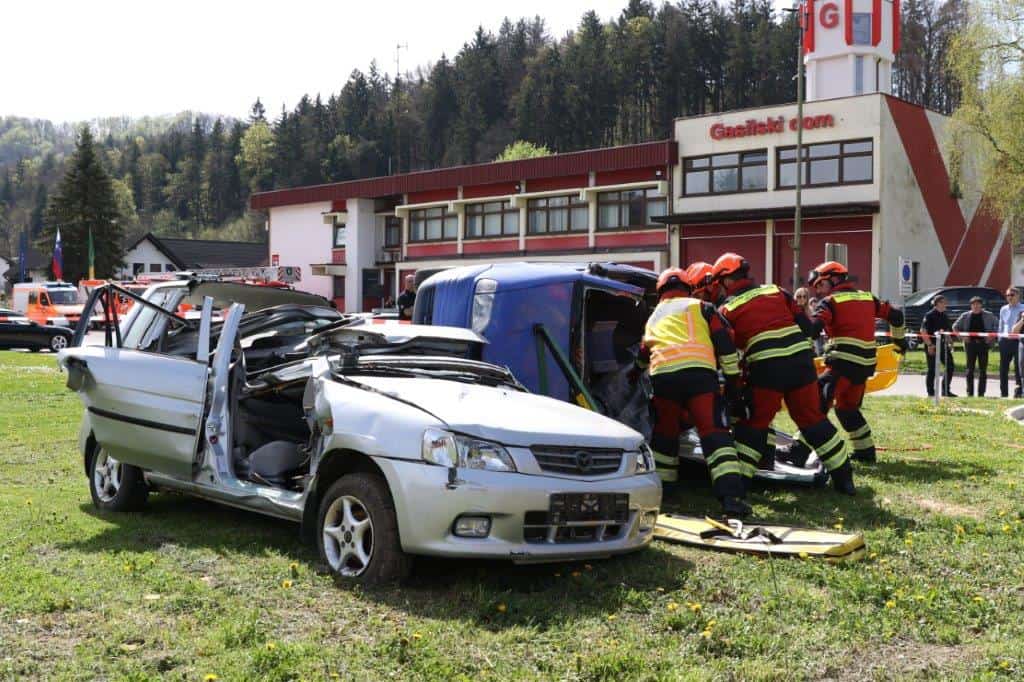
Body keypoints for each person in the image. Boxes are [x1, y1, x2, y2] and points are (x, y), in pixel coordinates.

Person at [711, 253, 856, 495]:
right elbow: (808, 328)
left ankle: (740, 486)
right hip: (802, 363)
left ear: (725, 281)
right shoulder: (777, 291)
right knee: (813, 420)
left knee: (755, 424)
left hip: (767, 369)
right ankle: (845, 478)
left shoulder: (727, 308)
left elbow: (726, 348)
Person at [638, 267, 750, 517]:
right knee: (715, 435)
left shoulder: (653, 316)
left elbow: (643, 354)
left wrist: (635, 372)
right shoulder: (700, 306)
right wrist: (733, 382)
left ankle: (664, 492)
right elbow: (725, 343)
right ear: (688, 287)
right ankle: (731, 498)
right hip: (700, 377)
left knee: (665, 434)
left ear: (660, 292)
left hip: (663, 378)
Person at [800, 261, 906, 464]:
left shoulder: (830, 303)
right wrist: (900, 343)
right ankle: (865, 452)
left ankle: (799, 449)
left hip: (842, 364)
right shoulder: (868, 298)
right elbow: (897, 316)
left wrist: (797, 316)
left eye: (820, 285)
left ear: (833, 279)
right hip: (864, 367)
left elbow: (813, 330)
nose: (819, 291)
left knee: (815, 403)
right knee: (847, 409)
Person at [953, 296, 998, 397]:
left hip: (983, 345)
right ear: (971, 306)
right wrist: (963, 337)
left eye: (978, 304)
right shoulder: (965, 316)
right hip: (970, 345)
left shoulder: (989, 315)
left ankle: (981, 393)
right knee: (970, 369)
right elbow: (955, 327)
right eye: (974, 304)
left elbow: (997, 326)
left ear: (981, 305)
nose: (976, 306)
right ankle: (970, 393)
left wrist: (990, 336)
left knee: (983, 370)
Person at [921, 294, 955, 397]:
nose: (946, 305)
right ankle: (931, 392)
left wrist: (950, 342)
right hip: (932, 345)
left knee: (950, 366)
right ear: (938, 303)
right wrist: (929, 345)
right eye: (944, 302)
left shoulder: (944, 315)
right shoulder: (929, 315)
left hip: (943, 345)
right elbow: (923, 331)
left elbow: (946, 330)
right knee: (932, 369)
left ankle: (945, 390)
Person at [998, 287, 1024, 398]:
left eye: (1012, 295)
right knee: (1003, 368)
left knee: (1019, 368)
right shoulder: (1003, 309)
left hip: (1018, 341)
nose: (1009, 297)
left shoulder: (1023, 308)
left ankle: (1018, 392)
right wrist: (999, 339)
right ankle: (1004, 393)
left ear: (1018, 296)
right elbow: (1001, 325)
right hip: (1005, 341)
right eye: (1007, 295)